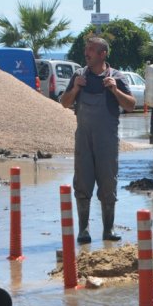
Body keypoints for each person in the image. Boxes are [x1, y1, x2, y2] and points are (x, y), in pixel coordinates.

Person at [60, 37, 135, 244]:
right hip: (83, 140)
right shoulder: (79, 75)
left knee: (108, 184)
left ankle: (108, 230)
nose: (87, 53)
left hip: (107, 142)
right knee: (82, 184)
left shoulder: (116, 77)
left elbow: (130, 105)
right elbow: (64, 103)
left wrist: (114, 90)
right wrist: (75, 89)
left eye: (91, 50)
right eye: (87, 49)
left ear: (102, 54)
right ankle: (83, 230)